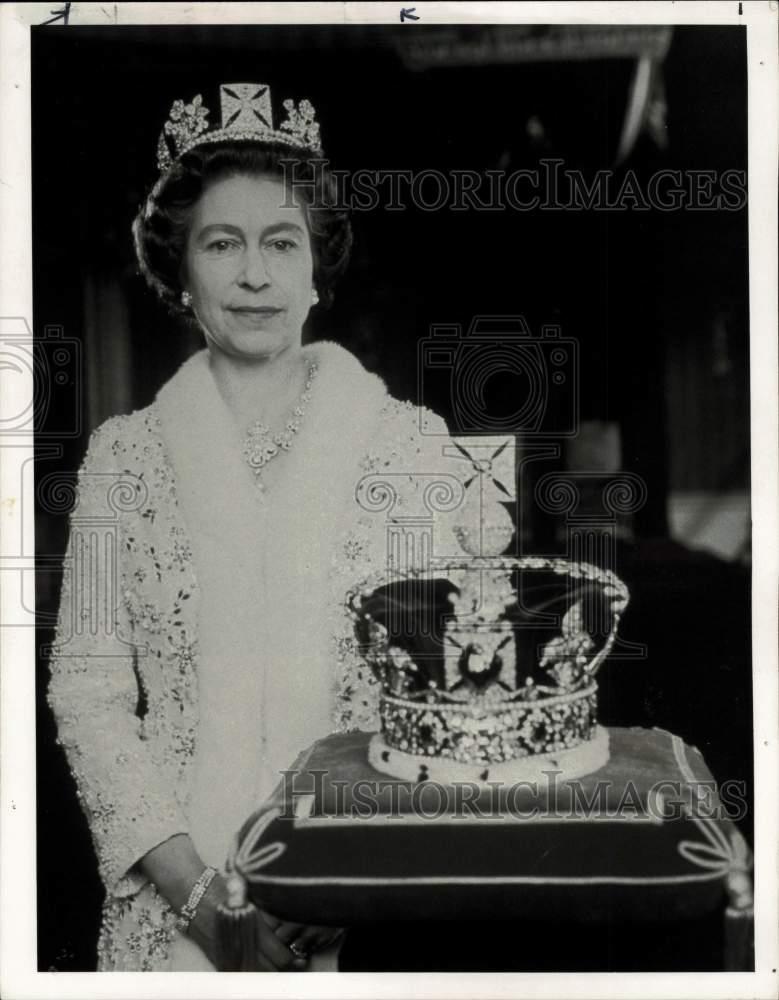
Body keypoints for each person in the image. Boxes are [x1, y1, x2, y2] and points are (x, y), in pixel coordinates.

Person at [47, 82, 509, 972]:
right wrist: (199, 900)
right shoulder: (121, 461)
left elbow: (461, 696)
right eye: (222, 244)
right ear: (179, 269)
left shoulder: (411, 451)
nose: (254, 274)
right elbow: (87, 695)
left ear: (315, 268)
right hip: (171, 917)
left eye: (281, 243)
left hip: (369, 916)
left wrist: (346, 881)